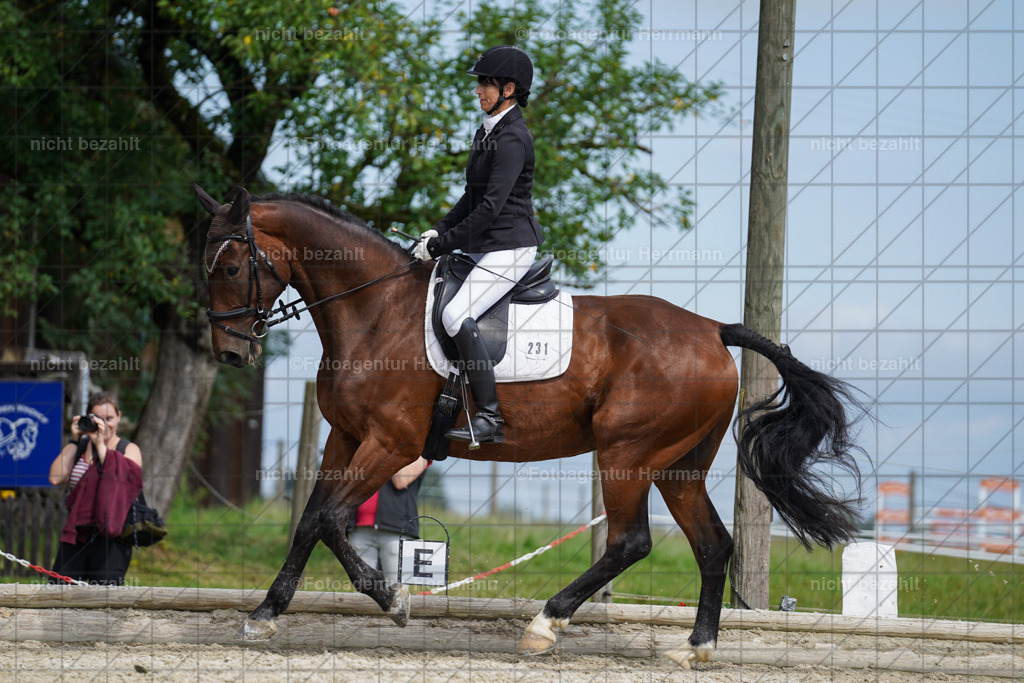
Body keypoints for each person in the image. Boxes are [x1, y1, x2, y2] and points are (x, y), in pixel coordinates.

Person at [412, 45, 543, 445]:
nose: (478, 91)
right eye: (480, 83)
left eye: (485, 84)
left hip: (511, 247)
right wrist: (436, 232)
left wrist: (443, 246)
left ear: (509, 89)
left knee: (454, 315)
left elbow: (488, 210)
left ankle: (490, 417)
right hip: (487, 246)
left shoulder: (513, 139)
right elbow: (470, 197)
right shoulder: (488, 130)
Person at [48, 391, 143, 585]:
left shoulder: (128, 449)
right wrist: (75, 441)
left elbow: (122, 484)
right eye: (98, 418)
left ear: (119, 417)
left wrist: (101, 446)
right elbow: (55, 478)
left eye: (109, 418)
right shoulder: (81, 447)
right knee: (59, 593)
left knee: (104, 600)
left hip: (112, 537)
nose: (104, 424)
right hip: (77, 533)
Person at [349, 456, 429, 586]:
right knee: (364, 592)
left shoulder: (423, 454)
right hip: (359, 529)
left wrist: (387, 449)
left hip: (397, 532)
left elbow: (400, 480)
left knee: (397, 590)